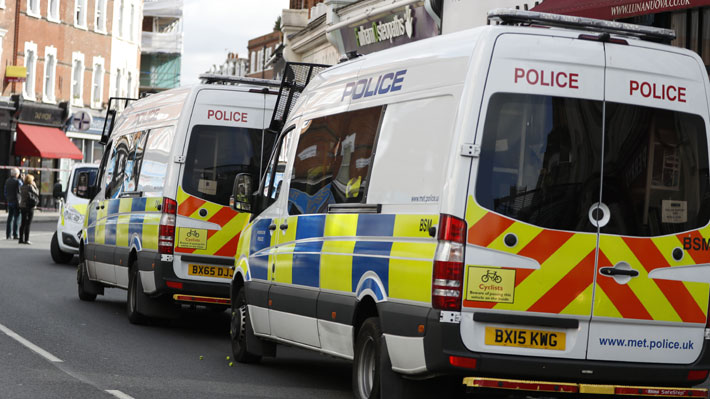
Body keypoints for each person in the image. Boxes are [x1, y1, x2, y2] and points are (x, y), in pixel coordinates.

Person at [18, 174, 38, 245]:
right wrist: (35, 186)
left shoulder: (22, 186)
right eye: (32, 180)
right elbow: (37, 193)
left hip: (22, 206)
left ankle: (20, 239)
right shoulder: (30, 187)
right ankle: (26, 239)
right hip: (29, 206)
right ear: (30, 180)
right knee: (28, 223)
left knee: (23, 223)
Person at [4, 168, 22, 239]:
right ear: (16, 174)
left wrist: (8, 198)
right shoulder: (18, 181)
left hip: (10, 201)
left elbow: (5, 192)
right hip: (17, 202)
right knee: (17, 218)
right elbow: (21, 190)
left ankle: (8, 234)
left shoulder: (7, 181)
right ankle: (15, 234)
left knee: (10, 218)